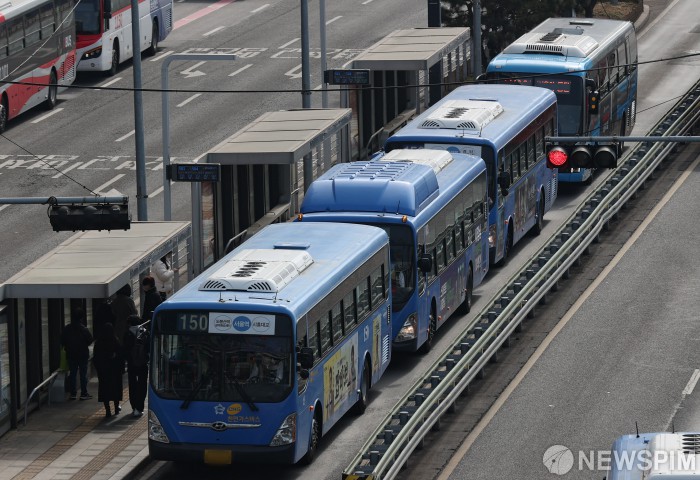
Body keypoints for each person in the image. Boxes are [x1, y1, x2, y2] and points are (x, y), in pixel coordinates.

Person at [60, 308, 94, 401]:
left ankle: (73, 394)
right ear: (81, 318)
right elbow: (90, 340)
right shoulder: (84, 329)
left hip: (71, 354)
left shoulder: (67, 328)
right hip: (82, 354)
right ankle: (83, 393)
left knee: (73, 374)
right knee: (83, 374)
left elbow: (62, 341)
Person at [92, 322, 124, 418]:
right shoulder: (115, 341)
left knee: (104, 390)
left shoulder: (98, 342)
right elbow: (120, 356)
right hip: (114, 371)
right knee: (115, 389)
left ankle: (108, 410)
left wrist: (98, 369)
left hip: (103, 371)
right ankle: (116, 408)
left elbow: (95, 358)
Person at [123, 314, 148, 417]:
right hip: (143, 364)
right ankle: (140, 407)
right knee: (142, 385)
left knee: (133, 386)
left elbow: (125, 350)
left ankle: (134, 408)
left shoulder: (128, 333)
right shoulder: (145, 332)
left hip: (132, 364)